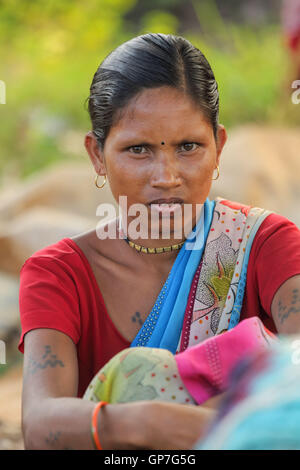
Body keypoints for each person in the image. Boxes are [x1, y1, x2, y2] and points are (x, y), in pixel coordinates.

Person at [18, 33, 300, 450]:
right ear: (97, 154)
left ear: (219, 148)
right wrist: (149, 422)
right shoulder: (59, 274)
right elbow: (41, 422)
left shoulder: (265, 245)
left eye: (189, 147)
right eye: (138, 149)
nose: (167, 176)